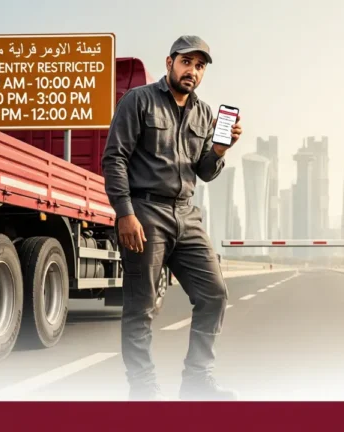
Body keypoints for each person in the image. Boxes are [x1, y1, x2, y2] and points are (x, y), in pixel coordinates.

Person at [101, 35, 241, 401]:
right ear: (170, 62)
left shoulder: (205, 113)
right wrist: (125, 213)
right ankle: (143, 391)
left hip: (186, 212)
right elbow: (114, 158)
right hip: (145, 212)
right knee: (141, 307)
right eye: (186, 62)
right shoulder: (139, 100)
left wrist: (221, 150)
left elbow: (206, 172)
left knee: (214, 294)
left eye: (199, 66)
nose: (192, 71)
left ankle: (197, 378)